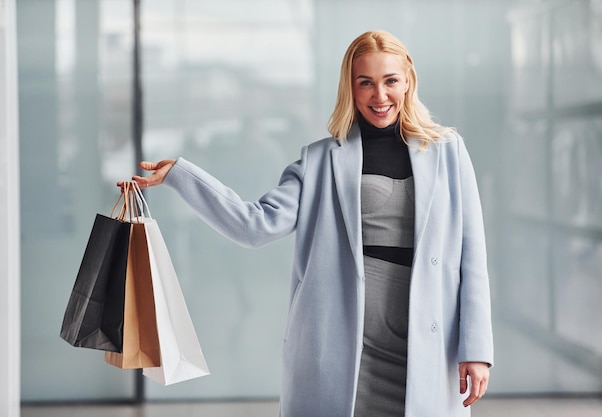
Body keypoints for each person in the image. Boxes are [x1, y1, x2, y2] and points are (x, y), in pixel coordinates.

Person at [126, 30, 494, 417]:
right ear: (350, 88)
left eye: (390, 81)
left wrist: (476, 349)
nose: (379, 95)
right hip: (349, 347)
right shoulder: (320, 161)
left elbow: (472, 259)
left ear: (408, 81)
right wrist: (181, 176)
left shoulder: (448, 152)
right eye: (365, 83)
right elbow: (255, 225)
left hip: (427, 341)